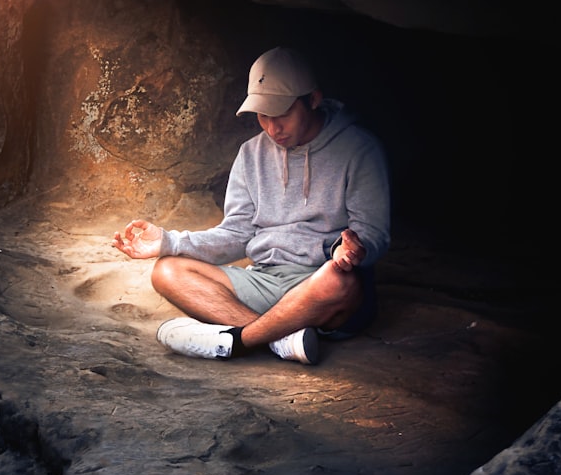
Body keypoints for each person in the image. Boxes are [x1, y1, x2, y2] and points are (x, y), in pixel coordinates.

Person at [113, 46, 390, 365]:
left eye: (282, 114)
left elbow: (373, 234)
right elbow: (236, 234)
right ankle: (281, 339)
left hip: (320, 284)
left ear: (312, 100)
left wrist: (355, 251)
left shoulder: (359, 149)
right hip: (264, 279)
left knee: (339, 282)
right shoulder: (250, 154)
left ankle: (240, 342)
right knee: (167, 270)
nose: (273, 128)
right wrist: (168, 241)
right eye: (263, 116)